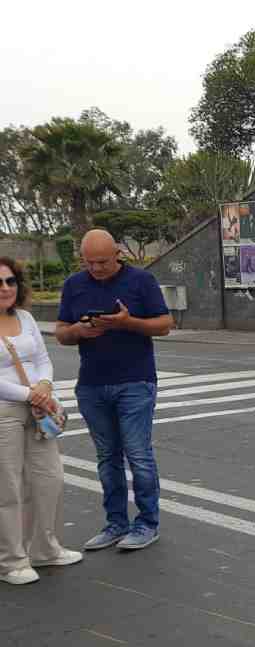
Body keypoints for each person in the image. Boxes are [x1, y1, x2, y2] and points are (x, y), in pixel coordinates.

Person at [55, 230, 173, 552]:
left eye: (103, 262)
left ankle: (147, 523)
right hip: (92, 384)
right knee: (107, 458)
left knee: (138, 455)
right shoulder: (74, 286)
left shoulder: (141, 281)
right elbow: (61, 333)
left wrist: (126, 322)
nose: (96, 268)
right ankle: (116, 523)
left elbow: (164, 324)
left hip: (135, 381)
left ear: (117, 254)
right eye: (89, 262)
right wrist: (78, 330)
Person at [0, 257, 79, 585]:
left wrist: (45, 385)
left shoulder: (27, 317)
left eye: (10, 281)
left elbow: (43, 359)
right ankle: (11, 561)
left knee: (50, 479)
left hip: (38, 407)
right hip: (5, 411)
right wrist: (29, 394)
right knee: (9, 487)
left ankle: (45, 548)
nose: (4, 288)